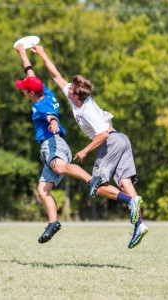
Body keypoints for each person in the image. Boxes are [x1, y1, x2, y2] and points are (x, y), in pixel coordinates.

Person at [30, 45, 148, 249]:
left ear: (77, 95)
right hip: (122, 139)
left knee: (98, 185)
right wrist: (42, 54)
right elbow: (56, 74)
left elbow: (102, 134)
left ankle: (130, 202)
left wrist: (85, 150)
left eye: (71, 90)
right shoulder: (74, 94)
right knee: (124, 180)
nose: (67, 90)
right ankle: (139, 224)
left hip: (111, 141)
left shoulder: (87, 110)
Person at [15, 44, 102, 244]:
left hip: (53, 142)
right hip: (52, 144)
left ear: (30, 94)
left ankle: (91, 180)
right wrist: (22, 53)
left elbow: (51, 117)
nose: (23, 92)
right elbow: (31, 73)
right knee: (42, 190)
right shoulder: (44, 91)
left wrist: (54, 124)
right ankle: (53, 222)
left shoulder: (41, 105)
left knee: (60, 167)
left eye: (24, 90)